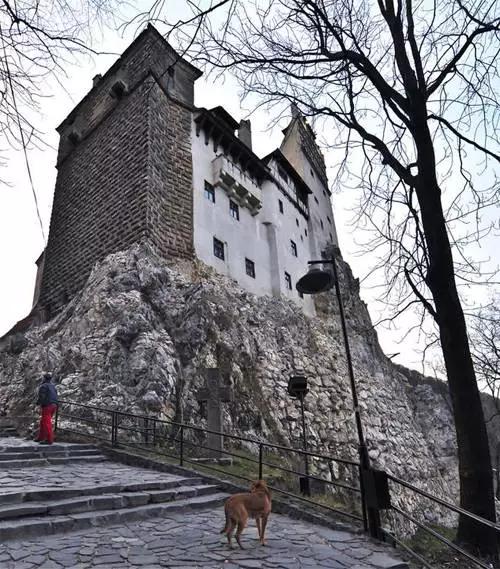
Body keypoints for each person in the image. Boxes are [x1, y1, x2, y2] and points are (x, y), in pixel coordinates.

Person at [35, 373, 58, 445]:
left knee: (46, 423)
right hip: (54, 405)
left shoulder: (43, 386)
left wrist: (38, 404)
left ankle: (49, 440)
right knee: (43, 421)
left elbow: (42, 396)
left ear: (44, 378)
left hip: (47, 405)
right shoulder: (53, 386)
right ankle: (41, 437)